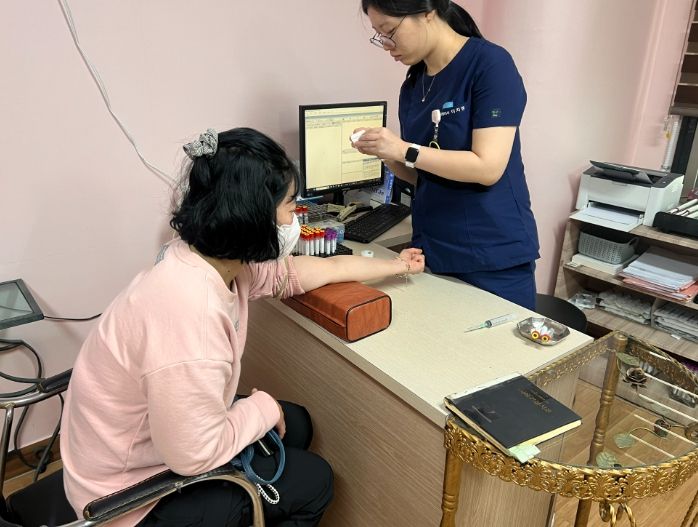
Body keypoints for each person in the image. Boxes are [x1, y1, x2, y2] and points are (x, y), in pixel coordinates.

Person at [60, 127, 425, 527]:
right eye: (289, 204)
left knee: (296, 423)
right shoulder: (190, 314)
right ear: (253, 214)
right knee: (315, 481)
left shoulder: (208, 259)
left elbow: (307, 271)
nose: (294, 218)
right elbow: (193, 455)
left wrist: (395, 265)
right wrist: (262, 408)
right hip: (126, 502)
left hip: (148, 446)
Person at [354, 0, 540, 310]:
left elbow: (488, 167)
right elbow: (421, 176)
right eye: (379, 35)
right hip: (432, 249)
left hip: (491, 254)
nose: (386, 44)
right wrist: (386, 154)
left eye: (389, 31)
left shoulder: (490, 65)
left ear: (428, 12)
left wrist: (402, 149)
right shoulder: (414, 85)